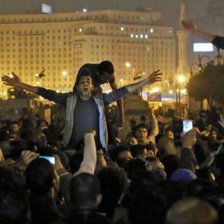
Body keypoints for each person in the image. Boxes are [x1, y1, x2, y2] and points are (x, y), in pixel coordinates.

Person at [2, 68, 161, 150]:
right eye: (82, 82)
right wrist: (20, 85)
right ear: (77, 87)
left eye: (88, 82)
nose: (85, 83)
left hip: (97, 148)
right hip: (73, 148)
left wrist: (145, 81)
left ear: (93, 86)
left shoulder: (101, 100)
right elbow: (43, 92)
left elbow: (123, 91)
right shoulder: (69, 99)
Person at [74, 61, 124, 128]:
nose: (107, 81)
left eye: (109, 79)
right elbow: (82, 92)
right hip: (79, 93)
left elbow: (118, 94)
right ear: (97, 73)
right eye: (105, 78)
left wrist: (121, 115)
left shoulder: (108, 75)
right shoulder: (86, 72)